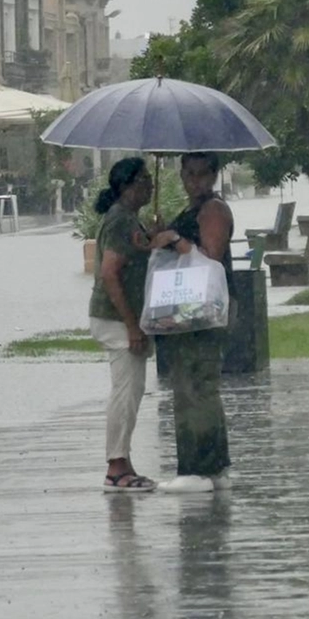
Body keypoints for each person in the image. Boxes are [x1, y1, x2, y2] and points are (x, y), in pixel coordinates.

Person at [88, 157, 181, 493]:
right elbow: (110, 273)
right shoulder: (119, 222)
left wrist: (152, 237)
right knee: (126, 391)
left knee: (133, 389)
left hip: (126, 317)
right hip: (116, 319)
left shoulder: (130, 222)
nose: (149, 185)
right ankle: (115, 467)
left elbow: (137, 255)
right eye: (142, 180)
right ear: (126, 186)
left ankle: (124, 462)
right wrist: (131, 326)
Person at [157, 151, 236, 493]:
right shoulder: (194, 209)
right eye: (189, 174)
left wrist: (175, 239)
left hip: (205, 310)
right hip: (188, 310)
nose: (195, 181)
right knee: (190, 385)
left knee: (196, 387)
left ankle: (199, 467)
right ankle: (212, 466)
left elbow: (210, 255)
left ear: (215, 175)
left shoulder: (214, 210)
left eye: (202, 174)